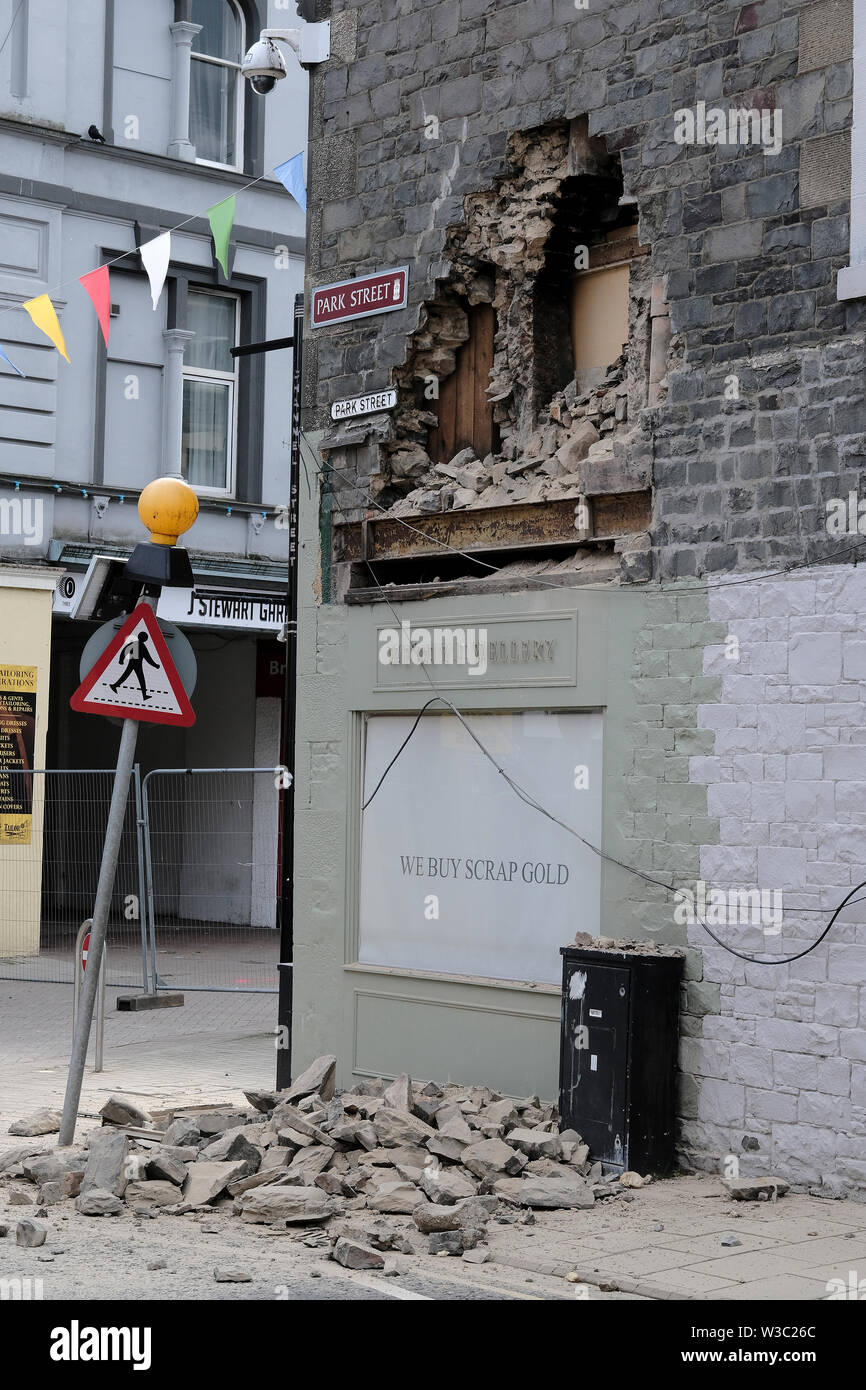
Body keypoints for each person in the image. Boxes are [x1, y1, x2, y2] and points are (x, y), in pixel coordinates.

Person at [110, 632, 159, 700]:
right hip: (136, 664)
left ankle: (114, 685)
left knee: (127, 676)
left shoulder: (135, 644)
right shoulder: (141, 646)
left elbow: (125, 650)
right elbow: (148, 658)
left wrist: (121, 660)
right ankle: (144, 695)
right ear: (144, 639)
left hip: (134, 663)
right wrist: (155, 665)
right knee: (140, 679)